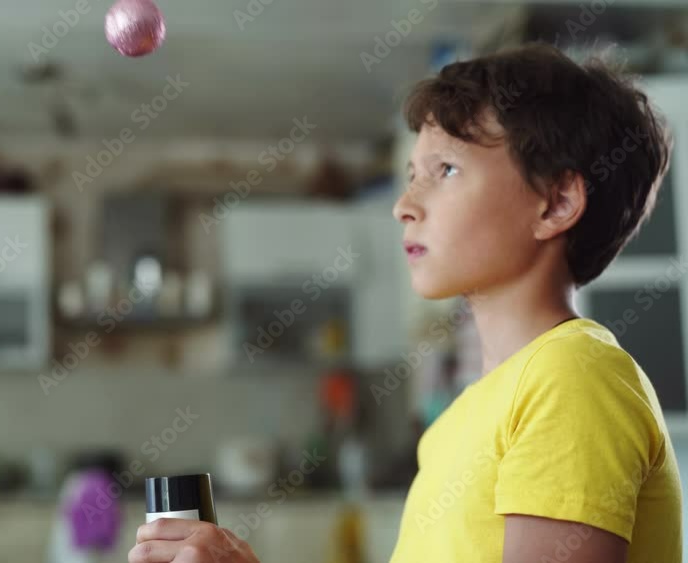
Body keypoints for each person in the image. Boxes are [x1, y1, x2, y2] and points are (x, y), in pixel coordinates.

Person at [129, 42, 681, 563]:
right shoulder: (456, 425)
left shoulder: (571, 378)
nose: (403, 205)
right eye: (412, 174)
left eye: (446, 170)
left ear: (556, 203)